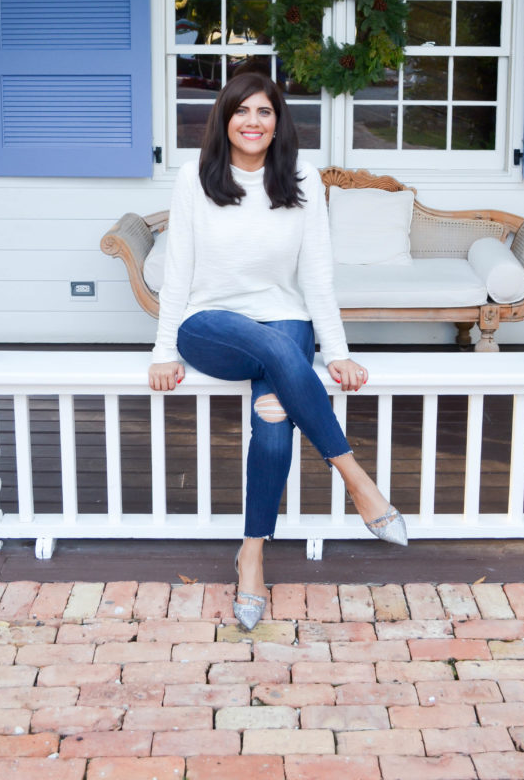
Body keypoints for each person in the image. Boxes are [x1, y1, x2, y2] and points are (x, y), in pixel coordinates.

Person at [148, 70, 406, 630]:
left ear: (278, 120)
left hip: (285, 321)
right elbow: (177, 270)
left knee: (272, 417)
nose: (253, 121)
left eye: (264, 111)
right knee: (278, 351)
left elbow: (316, 275)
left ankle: (252, 555)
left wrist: (335, 350)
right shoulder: (195, 177)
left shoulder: (301, 178)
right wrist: (164, 349)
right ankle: (357, 480)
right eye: (242, 111)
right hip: (209, 324)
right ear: (224, 118)